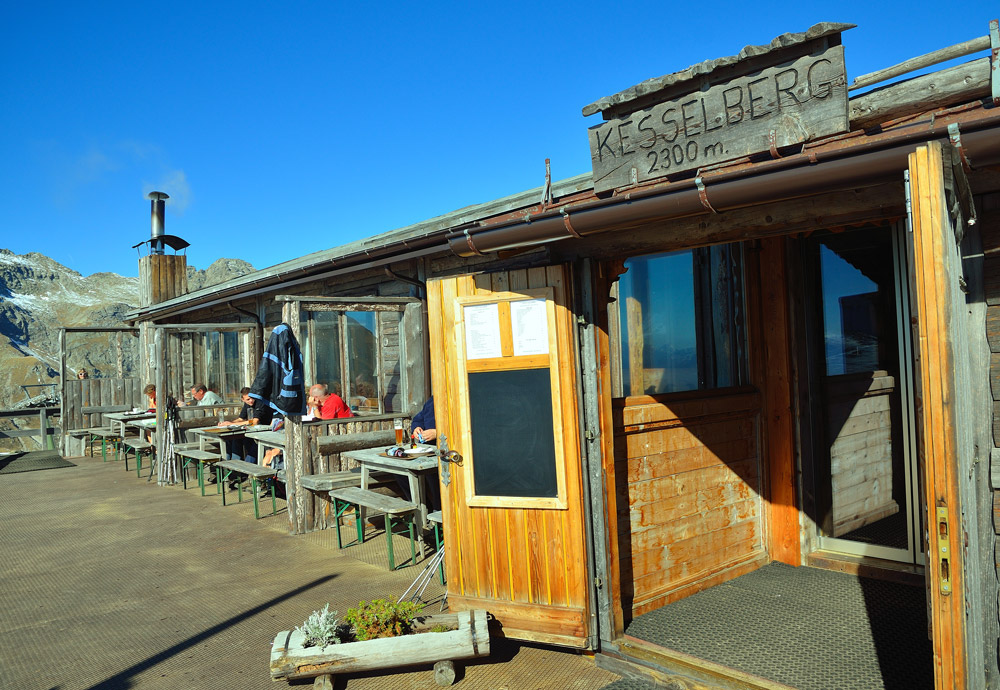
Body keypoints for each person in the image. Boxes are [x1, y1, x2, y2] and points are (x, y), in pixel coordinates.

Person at [219, 387, 273, 468]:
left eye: (251, 398)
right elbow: (241, 418)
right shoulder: (247, 404)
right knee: (233, 440)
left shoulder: (259, 402)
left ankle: (244, 469)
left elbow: (255, 422)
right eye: (248, 399)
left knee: (252, 449)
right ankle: (233, 468)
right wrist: (228, 423)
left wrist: (232, 424)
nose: (250, 401)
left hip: (264, 433)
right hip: (251, 432)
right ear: (242, 399)